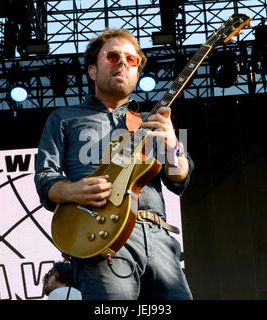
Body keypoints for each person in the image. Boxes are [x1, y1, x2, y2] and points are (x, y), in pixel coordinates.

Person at [35, 28, 194, 300]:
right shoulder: (63, 117)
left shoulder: (154, 122)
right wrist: (73, 191)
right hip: (102, 236)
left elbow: (180, 179)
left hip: (159, 237)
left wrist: (173, 144)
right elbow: (44, 178)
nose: (123, 63)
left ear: (137, 73)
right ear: (92, 71)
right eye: (113, 57)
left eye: (131, 60)